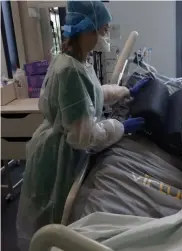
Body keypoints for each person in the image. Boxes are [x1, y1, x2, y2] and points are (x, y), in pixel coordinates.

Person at [16, 1, 149, 248]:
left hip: (57, 144)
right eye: (104, 30)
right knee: (53, 218)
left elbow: (93, 94)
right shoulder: (70, 72)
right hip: (59, 156)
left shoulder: (73, 61)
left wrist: (123, 91)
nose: (106, 37)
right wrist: (120, 127)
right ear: (88, 29)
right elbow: (83, 137)